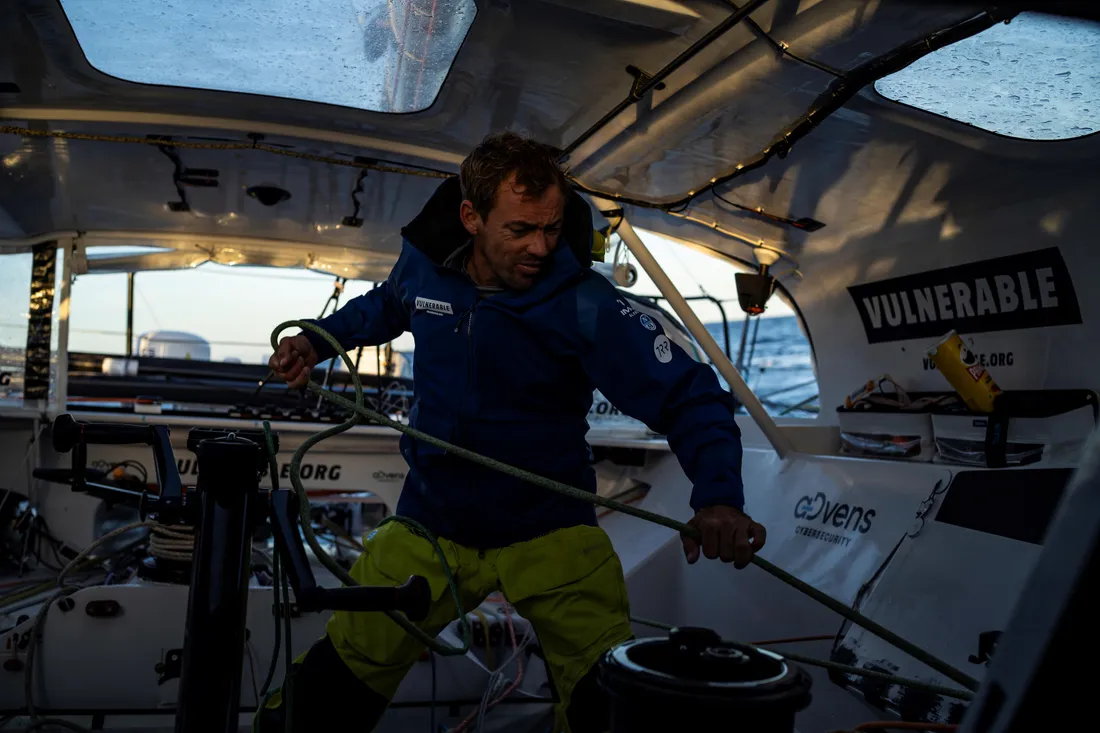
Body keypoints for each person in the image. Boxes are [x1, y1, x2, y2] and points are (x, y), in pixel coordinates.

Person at [258, 132, 767, 732]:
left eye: (552, 229)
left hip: (549, 527)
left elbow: (691, 394)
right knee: (339, 674)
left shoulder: (585, 303)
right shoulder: (424, 266)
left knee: (608, 698)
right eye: (521, 229)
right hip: (431, 521)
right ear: (471, 217)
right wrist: (317, 340)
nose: (541, 247)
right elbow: (387, 306)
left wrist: (718, 498)